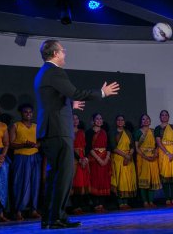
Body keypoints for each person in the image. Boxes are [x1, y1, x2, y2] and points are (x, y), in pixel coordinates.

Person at [34, 39, 119, 229]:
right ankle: (56, 218)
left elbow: (53, 99)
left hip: (51, 129)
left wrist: (68, 104)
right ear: (55, 53)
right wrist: (102, 92)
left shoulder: (44, 72)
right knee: (63, 175)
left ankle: (51, 218)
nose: (65, 53)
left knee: (57, 175)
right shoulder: (54, 71)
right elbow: (76, 92)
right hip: (57, 130)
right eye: (63, 50)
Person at [9, 103, 41, 221]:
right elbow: (11, 144)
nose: (28, 114)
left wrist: (35, 144)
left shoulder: (36, 126)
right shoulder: (15, 126)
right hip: (21, 157)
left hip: (34, 157)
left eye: (30, 112)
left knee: (35, 184)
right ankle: (18, 211)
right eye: (25, 112)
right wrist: (24, 145)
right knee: (20, 184)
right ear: (21, 113)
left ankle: (33, 210)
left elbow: (40, 141)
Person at [154, 110, 173, 206]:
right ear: (160, 117)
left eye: (166, 115)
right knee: (165, 177)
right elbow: (158, 142)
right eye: (162, 115)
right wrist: (167, 153)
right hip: (163, 153)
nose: (164, 116)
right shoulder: (157, 128)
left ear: (168, 117)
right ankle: (167, 199)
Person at [134, 114, 161, 208]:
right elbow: (137, 148)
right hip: (142, 157)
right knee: (144, 180)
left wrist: (155, 154)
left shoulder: (153, 132)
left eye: (147, 119)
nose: (145, 120)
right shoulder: (138, 132)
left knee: (152, 179)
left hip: (153, 158)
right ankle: (145, 201)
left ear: (150, 121)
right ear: (141, 121)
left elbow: (157, 145)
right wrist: (145, 156)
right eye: (143, 119)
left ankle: (151, 201)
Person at [86, 113, 111, 213]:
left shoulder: (105, 132)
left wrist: (106, 158)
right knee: (95, 181)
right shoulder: (89, 132)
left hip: (105, 160)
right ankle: (96, 204)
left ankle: (102, 204)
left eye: (101, 118)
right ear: (93, 120)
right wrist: (99, 159)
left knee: (104, 181)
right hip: (94, 160)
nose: (99, 120)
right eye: (97, 118)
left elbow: (109, 147)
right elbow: (88, 148)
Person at [110, 115, 137, 210]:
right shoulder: (113, 133)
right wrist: (125, 156)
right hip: (118, 158)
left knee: (127, 180)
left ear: (124, 122)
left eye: (122, 120)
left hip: (128, 158)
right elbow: (113, 147)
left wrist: (129, 155)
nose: (120, 121)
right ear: (116, 122)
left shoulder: (128, 133)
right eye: (118, 120)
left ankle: (126, 202)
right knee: (120, 180)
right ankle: (120, 203)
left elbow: (132, 147)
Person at [71, 114, 90, 214]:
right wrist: (79, 159)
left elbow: (86, 146)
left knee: (83, 181)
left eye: (77, 118)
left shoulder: (82, 132)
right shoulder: (68, 133)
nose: (75, 120)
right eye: (73, 119)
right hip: (73, 158)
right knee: (75, 181)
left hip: (83, 158)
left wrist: (85, 158)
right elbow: (70, 147)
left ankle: (81, 205)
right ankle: (75, 206)